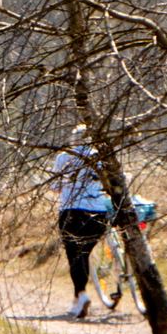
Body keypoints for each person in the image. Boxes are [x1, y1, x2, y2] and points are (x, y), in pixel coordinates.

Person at [53, 124, 112, 319]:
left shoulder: (64, 157)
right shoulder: (100, 157)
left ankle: (82, 295)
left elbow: (55, 186)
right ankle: (77, 299)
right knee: (84, 253)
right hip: (98, 213)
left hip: (72, 211)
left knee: (74, 254)